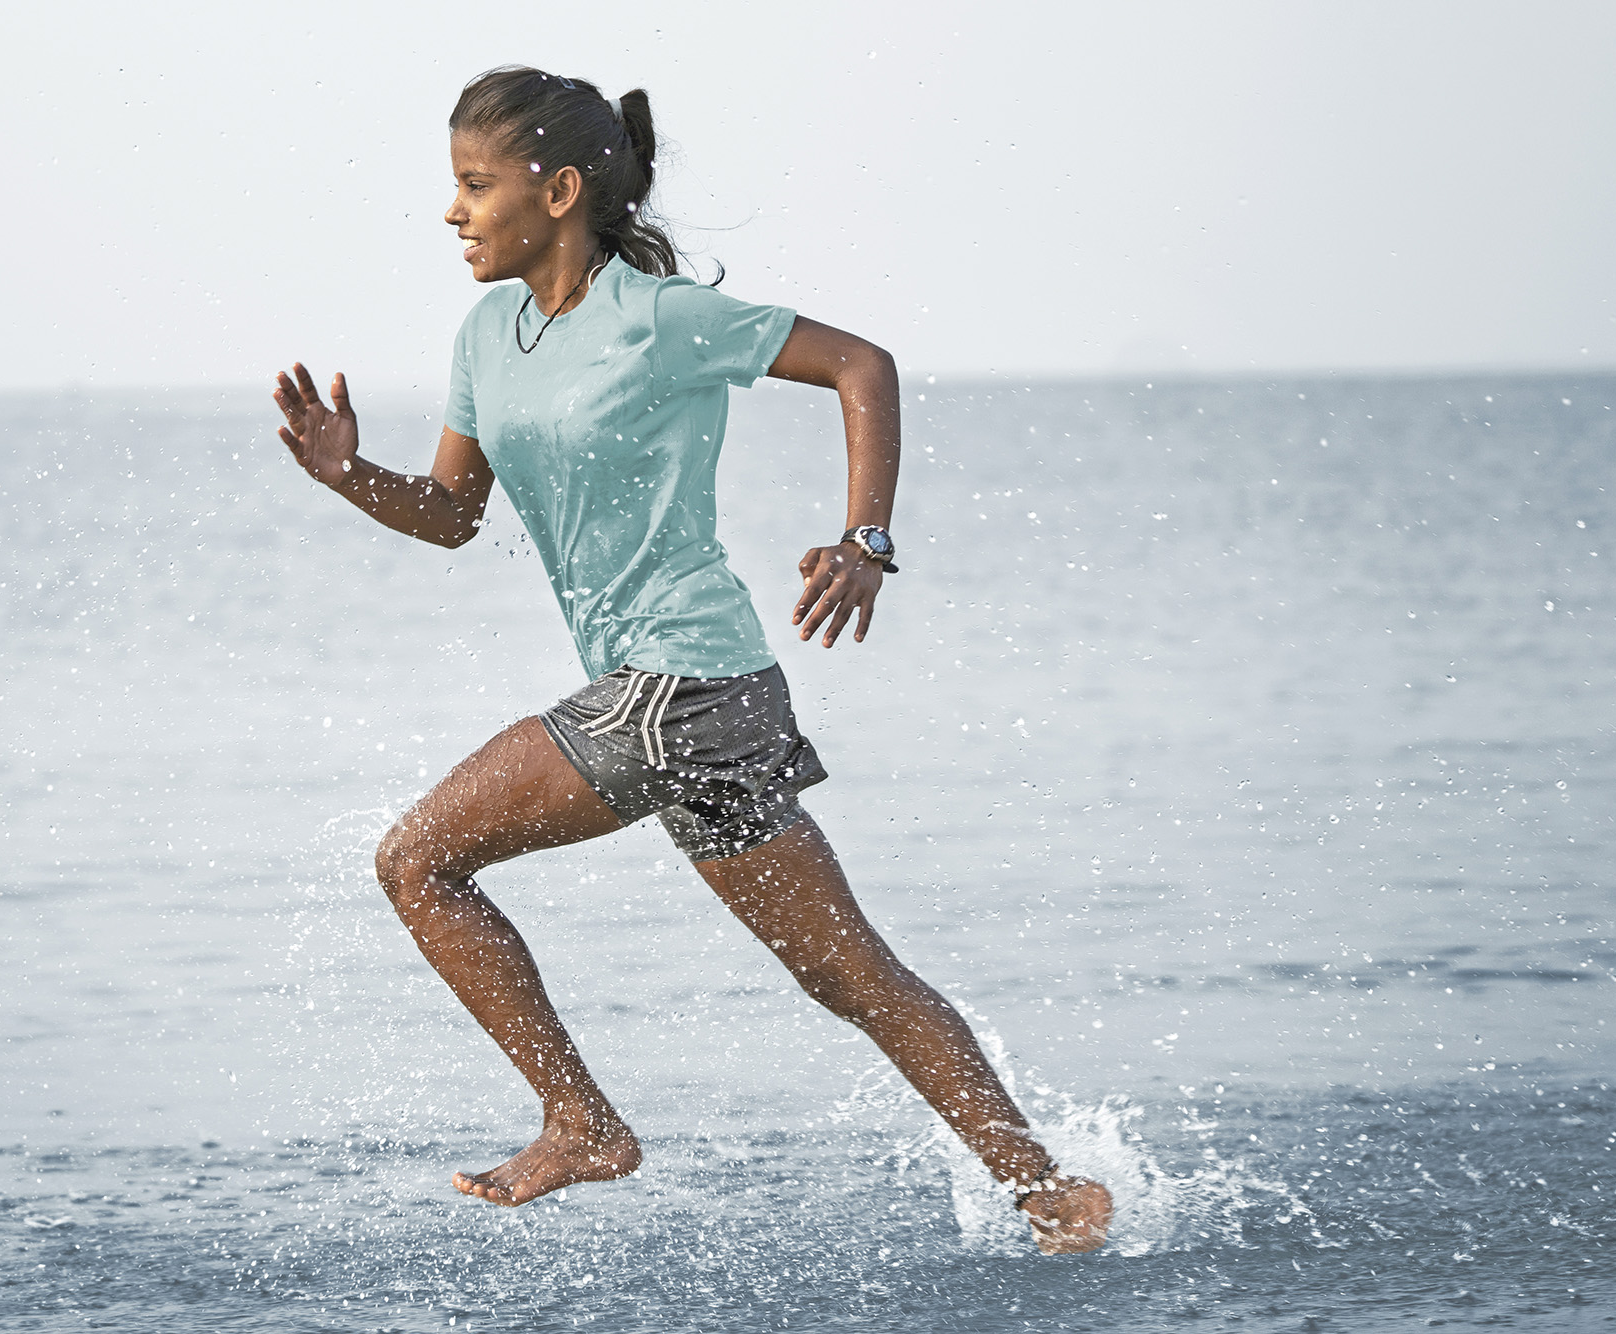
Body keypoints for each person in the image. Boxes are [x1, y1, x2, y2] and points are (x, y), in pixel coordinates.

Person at [272, 66, 1113, 1254]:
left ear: (557, 190)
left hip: (677, 684)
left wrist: (865, 537)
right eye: (449, 187)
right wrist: (344, 473)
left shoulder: (659, 317)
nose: (452, 213)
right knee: (851, 978)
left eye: (474, 185)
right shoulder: (484, 335)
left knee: (417, 861)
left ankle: (578, 1118)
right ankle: (1047, 1188)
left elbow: (859, 364)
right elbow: (454, 512)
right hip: (709, 701)